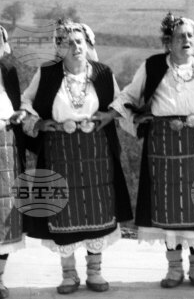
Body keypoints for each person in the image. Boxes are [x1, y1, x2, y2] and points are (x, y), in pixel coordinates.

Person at [110, 13, 194, 288]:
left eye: (190, 35)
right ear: (168, 42)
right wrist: (132, 118)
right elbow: (128, 96)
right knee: (167, 204)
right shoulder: (153, 66)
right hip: (162, 146)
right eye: (179, 36)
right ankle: (174, 269)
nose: (186, 40)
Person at [16, 20, 132, 295]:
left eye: (79, 42)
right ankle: (68, 274)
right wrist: (39, 123)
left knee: (98, 208)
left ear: (87, 43)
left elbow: (121, 101)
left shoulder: (102, 73)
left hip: (96, 150)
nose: (76, 47)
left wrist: (110, 115)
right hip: (59, 150)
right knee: (62, 209)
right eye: (69, 43)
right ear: (60, 47)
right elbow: (26, 101)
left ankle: (95, 272)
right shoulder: (47, 73)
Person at [0, 25, 32, 298]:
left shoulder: (8, 72)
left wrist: (18, 116)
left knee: (4, 214)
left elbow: (16, 105)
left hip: (5, 147)